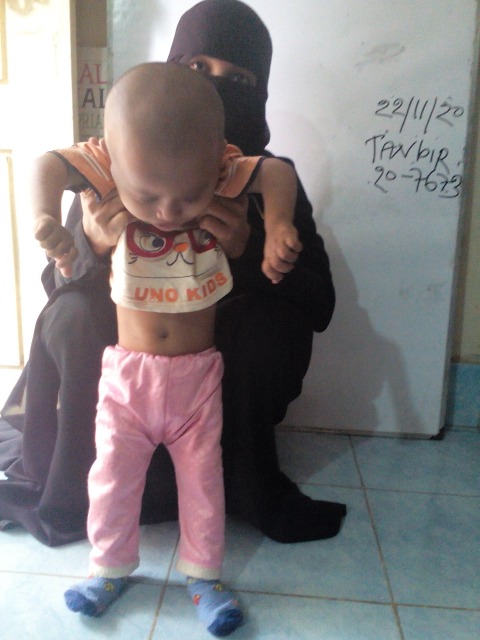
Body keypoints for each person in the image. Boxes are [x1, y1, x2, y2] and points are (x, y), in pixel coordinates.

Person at [0, 0, 346, 549]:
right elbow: (57, 289)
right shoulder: (121, 163)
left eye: (238, 78)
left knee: (267, 329)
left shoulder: (256, 175)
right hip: (127, 373)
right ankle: (75, 483)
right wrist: (91, 244)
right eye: (197, 67)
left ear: (259, 91)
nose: (215, 87)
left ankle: (242, 484)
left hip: (209, 382)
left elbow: (319, 303)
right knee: (71, 315)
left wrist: (250, 251)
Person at [32, 61, 300, 632]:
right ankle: (108, 568)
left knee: (203, 485)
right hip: (127, 378)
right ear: (111, 161)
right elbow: (47, 164)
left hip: (197, 381)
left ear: (217, 160)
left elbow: (276, 173)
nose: (169, 212)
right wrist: (46, 216)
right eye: (148, 195)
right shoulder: (107, 167)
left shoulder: (221, 167)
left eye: (189, 195)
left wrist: (277, 225)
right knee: (112, 479)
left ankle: (204, 577)